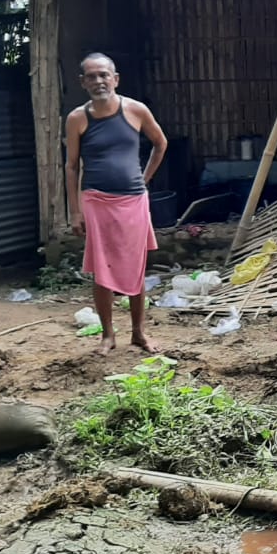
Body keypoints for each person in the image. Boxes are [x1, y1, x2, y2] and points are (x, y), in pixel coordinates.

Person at [65, 53, 168, 355]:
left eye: (104, 75)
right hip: (96, 201)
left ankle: (139, 333)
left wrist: (144, 179)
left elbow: (160, 144)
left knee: (136, 268)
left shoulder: (136, 110)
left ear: (115, 78)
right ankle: (107, 336)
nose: (99, 81)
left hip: (134, 200)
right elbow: (71, 167)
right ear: (83, 82)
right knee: (102, 269)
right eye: (92, 76)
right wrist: (74, 211)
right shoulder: (77, 119)